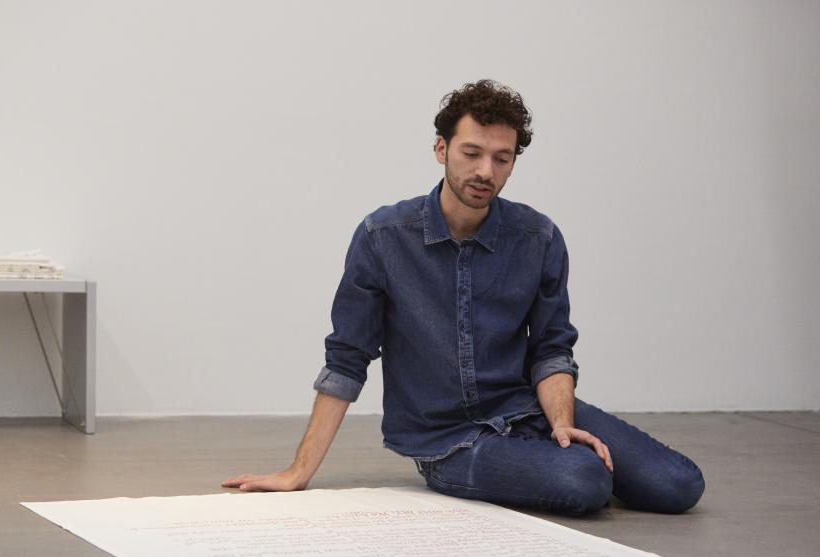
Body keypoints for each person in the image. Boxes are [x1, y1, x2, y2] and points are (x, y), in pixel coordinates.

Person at [222, 80, 705, 515]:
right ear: (441, 148)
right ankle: (545, 467)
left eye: (502, 158)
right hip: (447, 441)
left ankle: (544, 456)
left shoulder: (538, 237)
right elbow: (348, 359)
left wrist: (560, 424)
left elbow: (552, 348)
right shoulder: (383, 237)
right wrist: (298, 471)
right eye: (471, 152)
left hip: (529, 411)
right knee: (585, 479)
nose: (485, 171)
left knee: (679, 485)